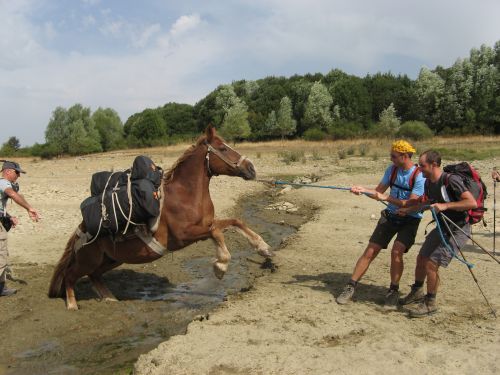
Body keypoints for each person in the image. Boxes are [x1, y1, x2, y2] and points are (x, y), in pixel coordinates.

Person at [336, 140, 425, 309]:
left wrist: (387, 198)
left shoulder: (419, 175)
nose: (391, 159)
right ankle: (350, 286)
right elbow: (379, 192)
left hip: (411, 219)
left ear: (405, 156)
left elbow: (411, 203)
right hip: (390, 216)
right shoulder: (392, 170)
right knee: (370, 250)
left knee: (397, 251)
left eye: (394, 156)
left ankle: (393, 291)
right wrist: (362, 190)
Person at [397, 150, 477, 317]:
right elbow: (429, 202)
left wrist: (446, 206)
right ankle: (417, 291)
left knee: (432, 264)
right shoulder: (428, 182)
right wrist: (410, 209)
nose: (419, 169)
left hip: (458, 228)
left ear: (433, 165)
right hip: (442, 226)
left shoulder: (450, 180)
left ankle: (430, 303)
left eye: (422, 165)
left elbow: (471, 202)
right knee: (422, 258)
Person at [0, 160, 40, 297]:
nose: (19, 176)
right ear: (8, 171)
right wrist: (29, 208)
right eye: (17, 173)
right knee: (1, 256)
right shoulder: (3, 182)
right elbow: (12, 194)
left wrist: (8, 216)